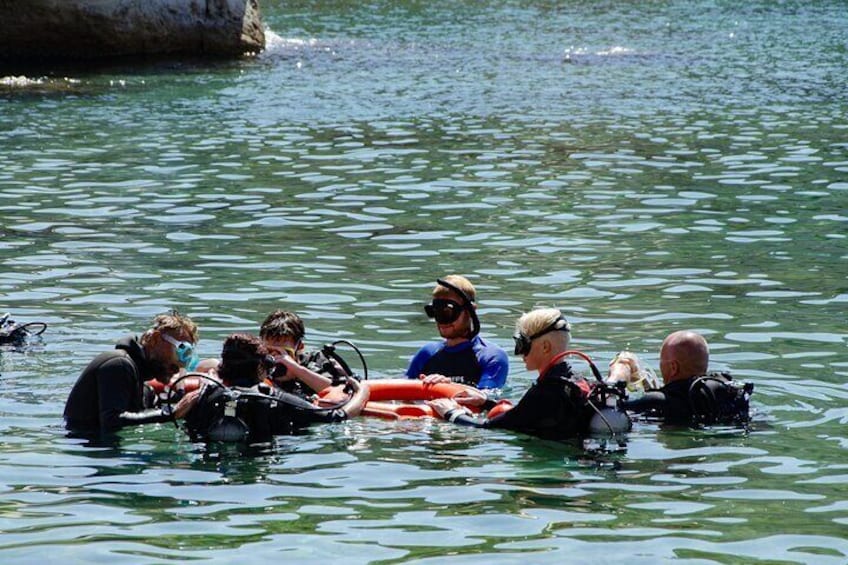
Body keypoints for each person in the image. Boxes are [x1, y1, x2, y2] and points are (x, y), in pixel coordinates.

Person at [428, 308, 630, 440]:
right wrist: (486, 403)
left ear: (545, 347)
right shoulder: (576, 380)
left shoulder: (546, 393)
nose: (519, 353)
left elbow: (487, 427)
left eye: (522, 344)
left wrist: (451, 413)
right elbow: (528, 414)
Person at [182, 333, 369, 442]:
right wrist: (362, 392)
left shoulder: (202, 396)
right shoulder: (274, 398)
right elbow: (337, 417)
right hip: (261, 460)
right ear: (261, 367)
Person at [64, 311, 200, 432]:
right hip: (88, 449)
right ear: (155, 339)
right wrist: (171, 413)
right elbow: (112, 420)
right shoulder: (118, 364)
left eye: (189, 355)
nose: (182, 363)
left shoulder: (143, 385)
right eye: (182, 350)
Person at [612, 330, 753, 425]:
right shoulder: (723, 387)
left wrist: (619, 371)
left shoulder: (657, 400)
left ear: (673, 367)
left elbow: (612, 405)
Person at [405, 276, 508, 391]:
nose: (442, 320)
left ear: (470, 311)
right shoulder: (426, 354)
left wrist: (447, 387)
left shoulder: (491, 357)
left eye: (448, 312)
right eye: (436, 312)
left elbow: (485, 399)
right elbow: (400, 394)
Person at [258, 309, 351, 395]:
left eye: (285, 352)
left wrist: (296, 370)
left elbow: (338, 392)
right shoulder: (256, 360)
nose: (276, 358)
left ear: (299, 347)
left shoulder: (316, 361)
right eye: (269, 351)